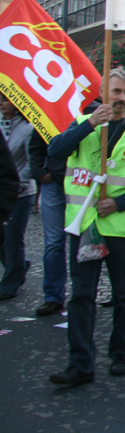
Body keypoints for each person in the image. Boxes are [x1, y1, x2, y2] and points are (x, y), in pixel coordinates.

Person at [47, 68, 125, 386]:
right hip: (85, 225)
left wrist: (119, 203)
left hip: (121, 228)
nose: (123, 99)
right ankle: (80, 363)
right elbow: (54, 153)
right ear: (102, 92)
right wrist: (88, 125)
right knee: (81, 295)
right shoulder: (83, 124)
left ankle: (120, 353)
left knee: (124, 294)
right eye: (117, 92)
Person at [0, 94, 36, 299]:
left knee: (13, 238)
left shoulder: (27, 129)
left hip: (22, 193)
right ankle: (19, 266)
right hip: (3, 191)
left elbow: (31, 164)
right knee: (2, 238)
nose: (2, 103)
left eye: (5, 99)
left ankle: (11, 281)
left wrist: (15, 184)